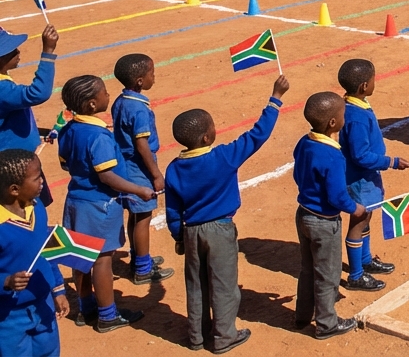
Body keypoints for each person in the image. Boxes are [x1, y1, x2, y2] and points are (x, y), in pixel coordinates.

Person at [165, 76, 288, 354]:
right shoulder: (223, 157)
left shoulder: (173, 168)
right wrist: (275, 98)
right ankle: (224, 337)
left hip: (191, 231)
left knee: (196, 286)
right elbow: (257, 135)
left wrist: (178, 235)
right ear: (207, 137)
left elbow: (172, 209)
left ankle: (196, 337)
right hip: (219, 230)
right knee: (224, 285)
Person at [58, 75, 156, 331]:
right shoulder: (98, 136)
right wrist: (139, 190)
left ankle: (85, 307)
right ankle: (107, 315)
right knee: (102, 260)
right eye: (103, 93)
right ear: (92, 104)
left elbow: (65, 164)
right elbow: (107, 175)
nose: (108, 96)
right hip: (99, 205)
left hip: (75, 202)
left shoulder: (68, 130)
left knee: (80, 258)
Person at [292, 91, 365, 340]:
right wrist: (354, 208)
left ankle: (302, 315)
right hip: (324, 222)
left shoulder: (304, 142)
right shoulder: (333, 154)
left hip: (303, 214)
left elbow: (297, 172)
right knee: (328, 274)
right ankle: (326, 324)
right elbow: (337, 195)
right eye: (342, 114)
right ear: (333, 123)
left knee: (307, 269)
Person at [338, 59, 409, 293]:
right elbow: (360, 155)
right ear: (363, 86)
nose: (374, 84)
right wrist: (391, 162)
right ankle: (357, 274)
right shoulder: (356, 117)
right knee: (359, 221)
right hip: (360, 178)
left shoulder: (355, 105)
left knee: (366, 217)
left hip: (366, 176)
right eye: (373, 81)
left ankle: (366, 259)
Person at [110, 54, 173, 286]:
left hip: (124, 165)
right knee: (144, 217)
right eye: (151, 74)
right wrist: (156, 174)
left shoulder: (120, 101)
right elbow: (141, 144)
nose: (153, 77)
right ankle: (143, 269)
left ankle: (138, 258)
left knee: (135, 215)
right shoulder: (139, 109)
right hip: (139, 167)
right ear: (139, 81)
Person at [0, 149, 69, 356]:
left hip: (43, 305)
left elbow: (47, 251)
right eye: (37, 177)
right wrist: (6, 281)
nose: (42, 181)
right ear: (14, 189)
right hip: (9, 317)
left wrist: (58, 289)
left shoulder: (37, 208)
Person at [0, 25, 59, 153]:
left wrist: (39, 132)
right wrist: (48, 52)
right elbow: (37, 93)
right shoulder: (2, 89)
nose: (18, 52)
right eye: (11, 50)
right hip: (13, 162)